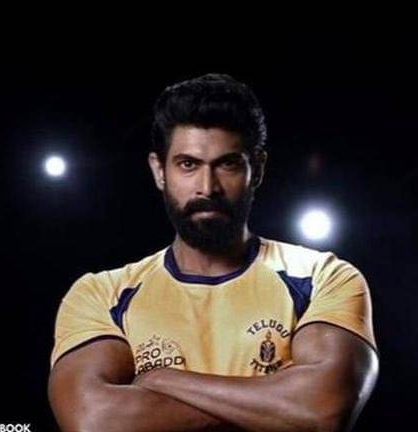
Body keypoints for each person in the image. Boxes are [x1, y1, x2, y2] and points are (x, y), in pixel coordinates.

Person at [48, 73, 379, 431]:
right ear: (159, 171)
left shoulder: (321, 277)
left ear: (257, 170)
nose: (207, 187)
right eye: (188, 164)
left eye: (228, 164)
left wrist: (160, 379)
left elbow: (321, 412)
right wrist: (273, 407)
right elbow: (93, 422)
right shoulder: (102, 294)